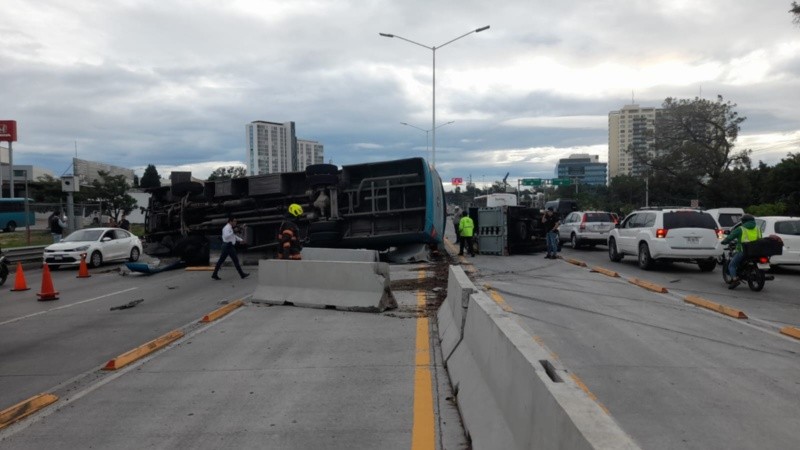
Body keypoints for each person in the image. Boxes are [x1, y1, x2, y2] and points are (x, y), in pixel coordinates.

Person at [721, 214, 761, 289]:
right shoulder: (758, 228)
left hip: (743, 251)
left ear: (743, 221)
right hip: (756, 251)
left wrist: (724, 241)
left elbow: (730, 237)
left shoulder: (741, 229)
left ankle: (735, 280)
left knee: (732, 265)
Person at [211, 216, 250, 280]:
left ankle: (214, 274)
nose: (235, 222)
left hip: (227, 246)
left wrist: (241, 240)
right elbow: (226, 236)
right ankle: (242, 275)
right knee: (235, 261)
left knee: (221, 261)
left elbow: (233, 236)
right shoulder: (226, 228)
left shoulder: (230, 228)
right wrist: (234, 231)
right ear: (230, 221)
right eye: (234, 221)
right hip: (228, 246)